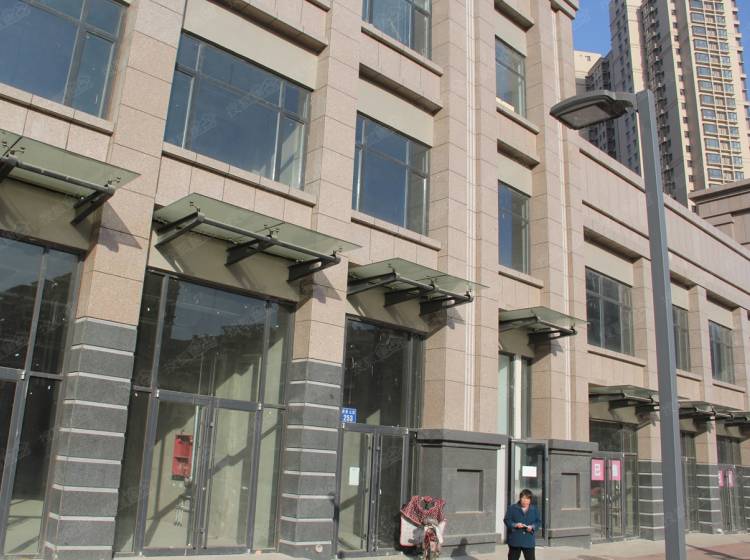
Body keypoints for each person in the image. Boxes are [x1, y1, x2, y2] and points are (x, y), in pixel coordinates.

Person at [503, 489, 541, 560]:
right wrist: (515, 525)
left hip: (528, 541)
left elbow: (538, 522)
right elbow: (507, 520)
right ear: (520, 498)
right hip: (515, 540)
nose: (525, 501)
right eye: (523, 498)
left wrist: (532, 527)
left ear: (530, 500)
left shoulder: (534, 509)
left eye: (527, 499)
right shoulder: (512, 508)